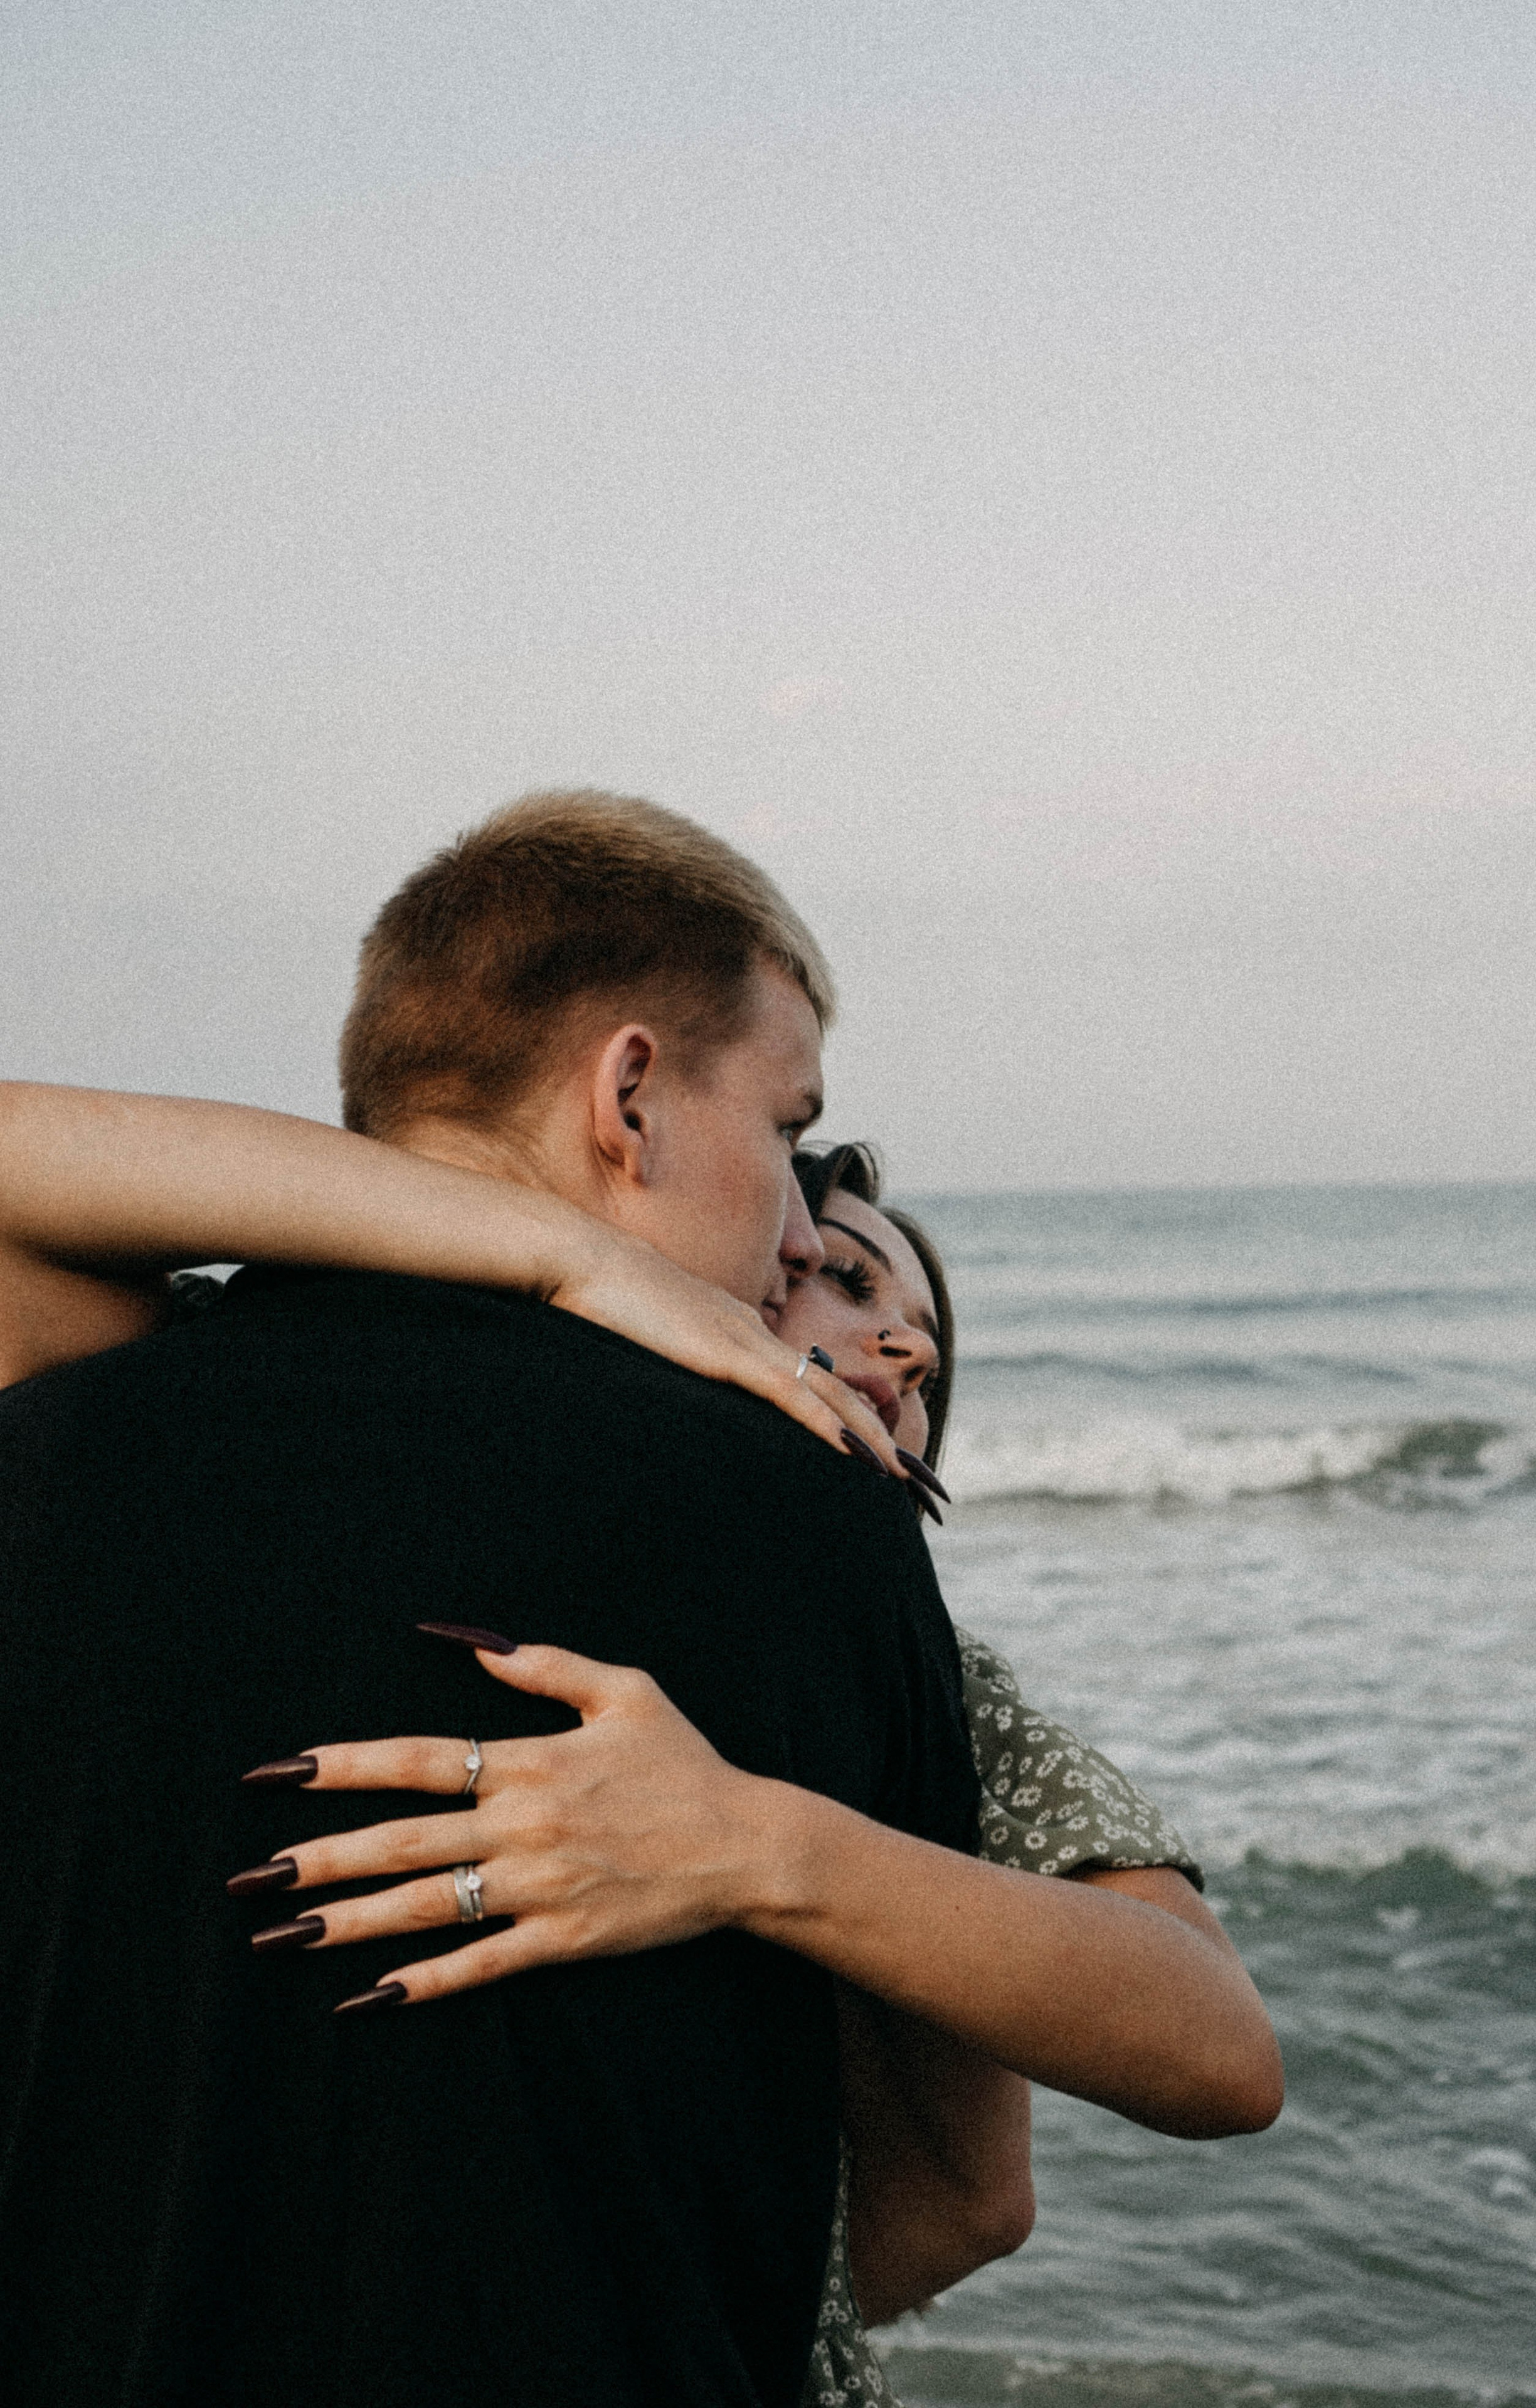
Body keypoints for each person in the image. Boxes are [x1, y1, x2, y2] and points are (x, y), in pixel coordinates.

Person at [0, 990, 1279, 2400]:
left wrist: (752, 1850)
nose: (906, 1350)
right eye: (837, 1278)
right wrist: (567, 1260)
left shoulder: (895, 1654)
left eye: (922, 1337)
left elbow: (1203, 2056)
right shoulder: (243, 1437)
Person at [0, 791, 990, 2408]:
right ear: (631, 1093)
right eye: (785, 1127)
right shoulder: (811, 1514)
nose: (803, 1225)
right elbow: (961, 2179)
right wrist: (573, 1260)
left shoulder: (52, 1433)